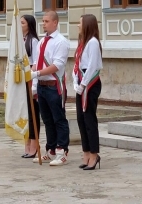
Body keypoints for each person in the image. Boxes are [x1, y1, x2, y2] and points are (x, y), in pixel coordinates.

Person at [32, 9, 70, 166]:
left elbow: (57, 65)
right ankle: (51, 149)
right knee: (47, 120)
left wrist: (38, 72)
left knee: (58, 119)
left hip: (54, 85)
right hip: (41, 85)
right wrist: (32, 73)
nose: (43, 24)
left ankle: (62, 151)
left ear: (55, 22)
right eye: (43, 21)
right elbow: (36, 62)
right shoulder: (41, 42)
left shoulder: (61, 41)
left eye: (46, 21)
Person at [74, 14, 103, 171]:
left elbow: (92, 66)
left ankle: (94, 154)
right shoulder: (83, 43)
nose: (78, 26)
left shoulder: (92, 43)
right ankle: (85, 153)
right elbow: (77, 64)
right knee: (80, 119)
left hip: (90, 83)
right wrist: (75, 82)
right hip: (81, 82)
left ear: (87, 25)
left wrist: (84, 84)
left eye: (80, 23)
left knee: (89, 119)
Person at [20, 14, 40, 159]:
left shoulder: (33, 41)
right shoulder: (20, 41)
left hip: (30, 80)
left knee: (33, 114)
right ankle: (26, 143)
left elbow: (35, 63)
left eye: (22, 23)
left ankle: (34, 144)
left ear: (29, 25)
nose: (20, 26)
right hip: (20, 81)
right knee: (24, 113)